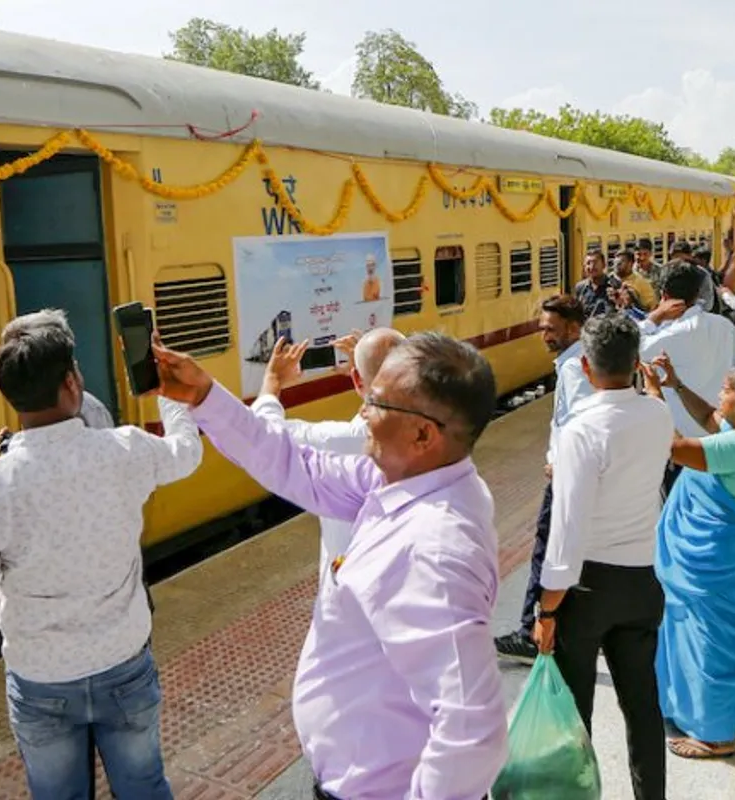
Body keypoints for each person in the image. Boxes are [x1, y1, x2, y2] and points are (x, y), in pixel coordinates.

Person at [156, 333, 508, 799]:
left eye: (377, 403)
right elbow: (292, 461)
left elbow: (472, 727)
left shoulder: (434, 549)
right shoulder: (399, 480)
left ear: (423, 434)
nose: (362, 412)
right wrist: (203, 395)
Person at [0, 310, 202, 800]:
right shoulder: (123, 450)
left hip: (42, 680)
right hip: (123, 665)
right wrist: (167, 390)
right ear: (71, 383)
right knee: (143, 785)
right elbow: (186, 453)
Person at [533, 314, 673, 800]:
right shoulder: (659, 416)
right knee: (643, 706)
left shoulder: (580, 430)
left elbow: (567, 533)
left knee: (577, 717)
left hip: (587, 589)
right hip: (643, 584)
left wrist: (547, 608)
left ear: (586, 368)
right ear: (635, 364)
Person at [641, 360, 735, 760]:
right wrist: (677, 384)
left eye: (726, 388)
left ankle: (715, 735)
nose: (720, 394)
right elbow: (709, 417)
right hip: (734, 550)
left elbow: (673, 449)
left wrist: (656, 396)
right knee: (723, 641)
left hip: (714, 557)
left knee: (708, 643)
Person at [252, 327, 405, 583]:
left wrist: (272, 382)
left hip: (351, 594)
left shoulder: (337, 442)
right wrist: (366, 378)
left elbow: (263, 436)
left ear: (357, 381)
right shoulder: (430, 426)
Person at [497, 295, 591, 663]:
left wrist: (561, 460)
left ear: (573, 327)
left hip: (566, 476)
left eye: (551, 329)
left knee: (545, 549)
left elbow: (580, 421)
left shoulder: (572, 368)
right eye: (542, 329)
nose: (544, 336)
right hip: (571, 471)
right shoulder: (576, 361)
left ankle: (530, 634)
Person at [637, 260, 735, 497]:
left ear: (664, 296)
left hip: (680, 446)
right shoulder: (722, 325)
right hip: (718, 435)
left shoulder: (673, 333)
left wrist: (654, 317)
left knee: (679, 509)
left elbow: (631, 348)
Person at [574, 249, 622, 318]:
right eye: (588, 263)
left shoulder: (615, 285)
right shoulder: (580, 287)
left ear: (604, 265)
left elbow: (623, 310)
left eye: (595, 263)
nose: (591, 267)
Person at [614, 248, 657, 312]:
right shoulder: (610, 280)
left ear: (630, 263)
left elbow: (652, 307)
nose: (617, 264)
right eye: (616, 261)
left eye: (621, 261)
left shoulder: (640, 282)